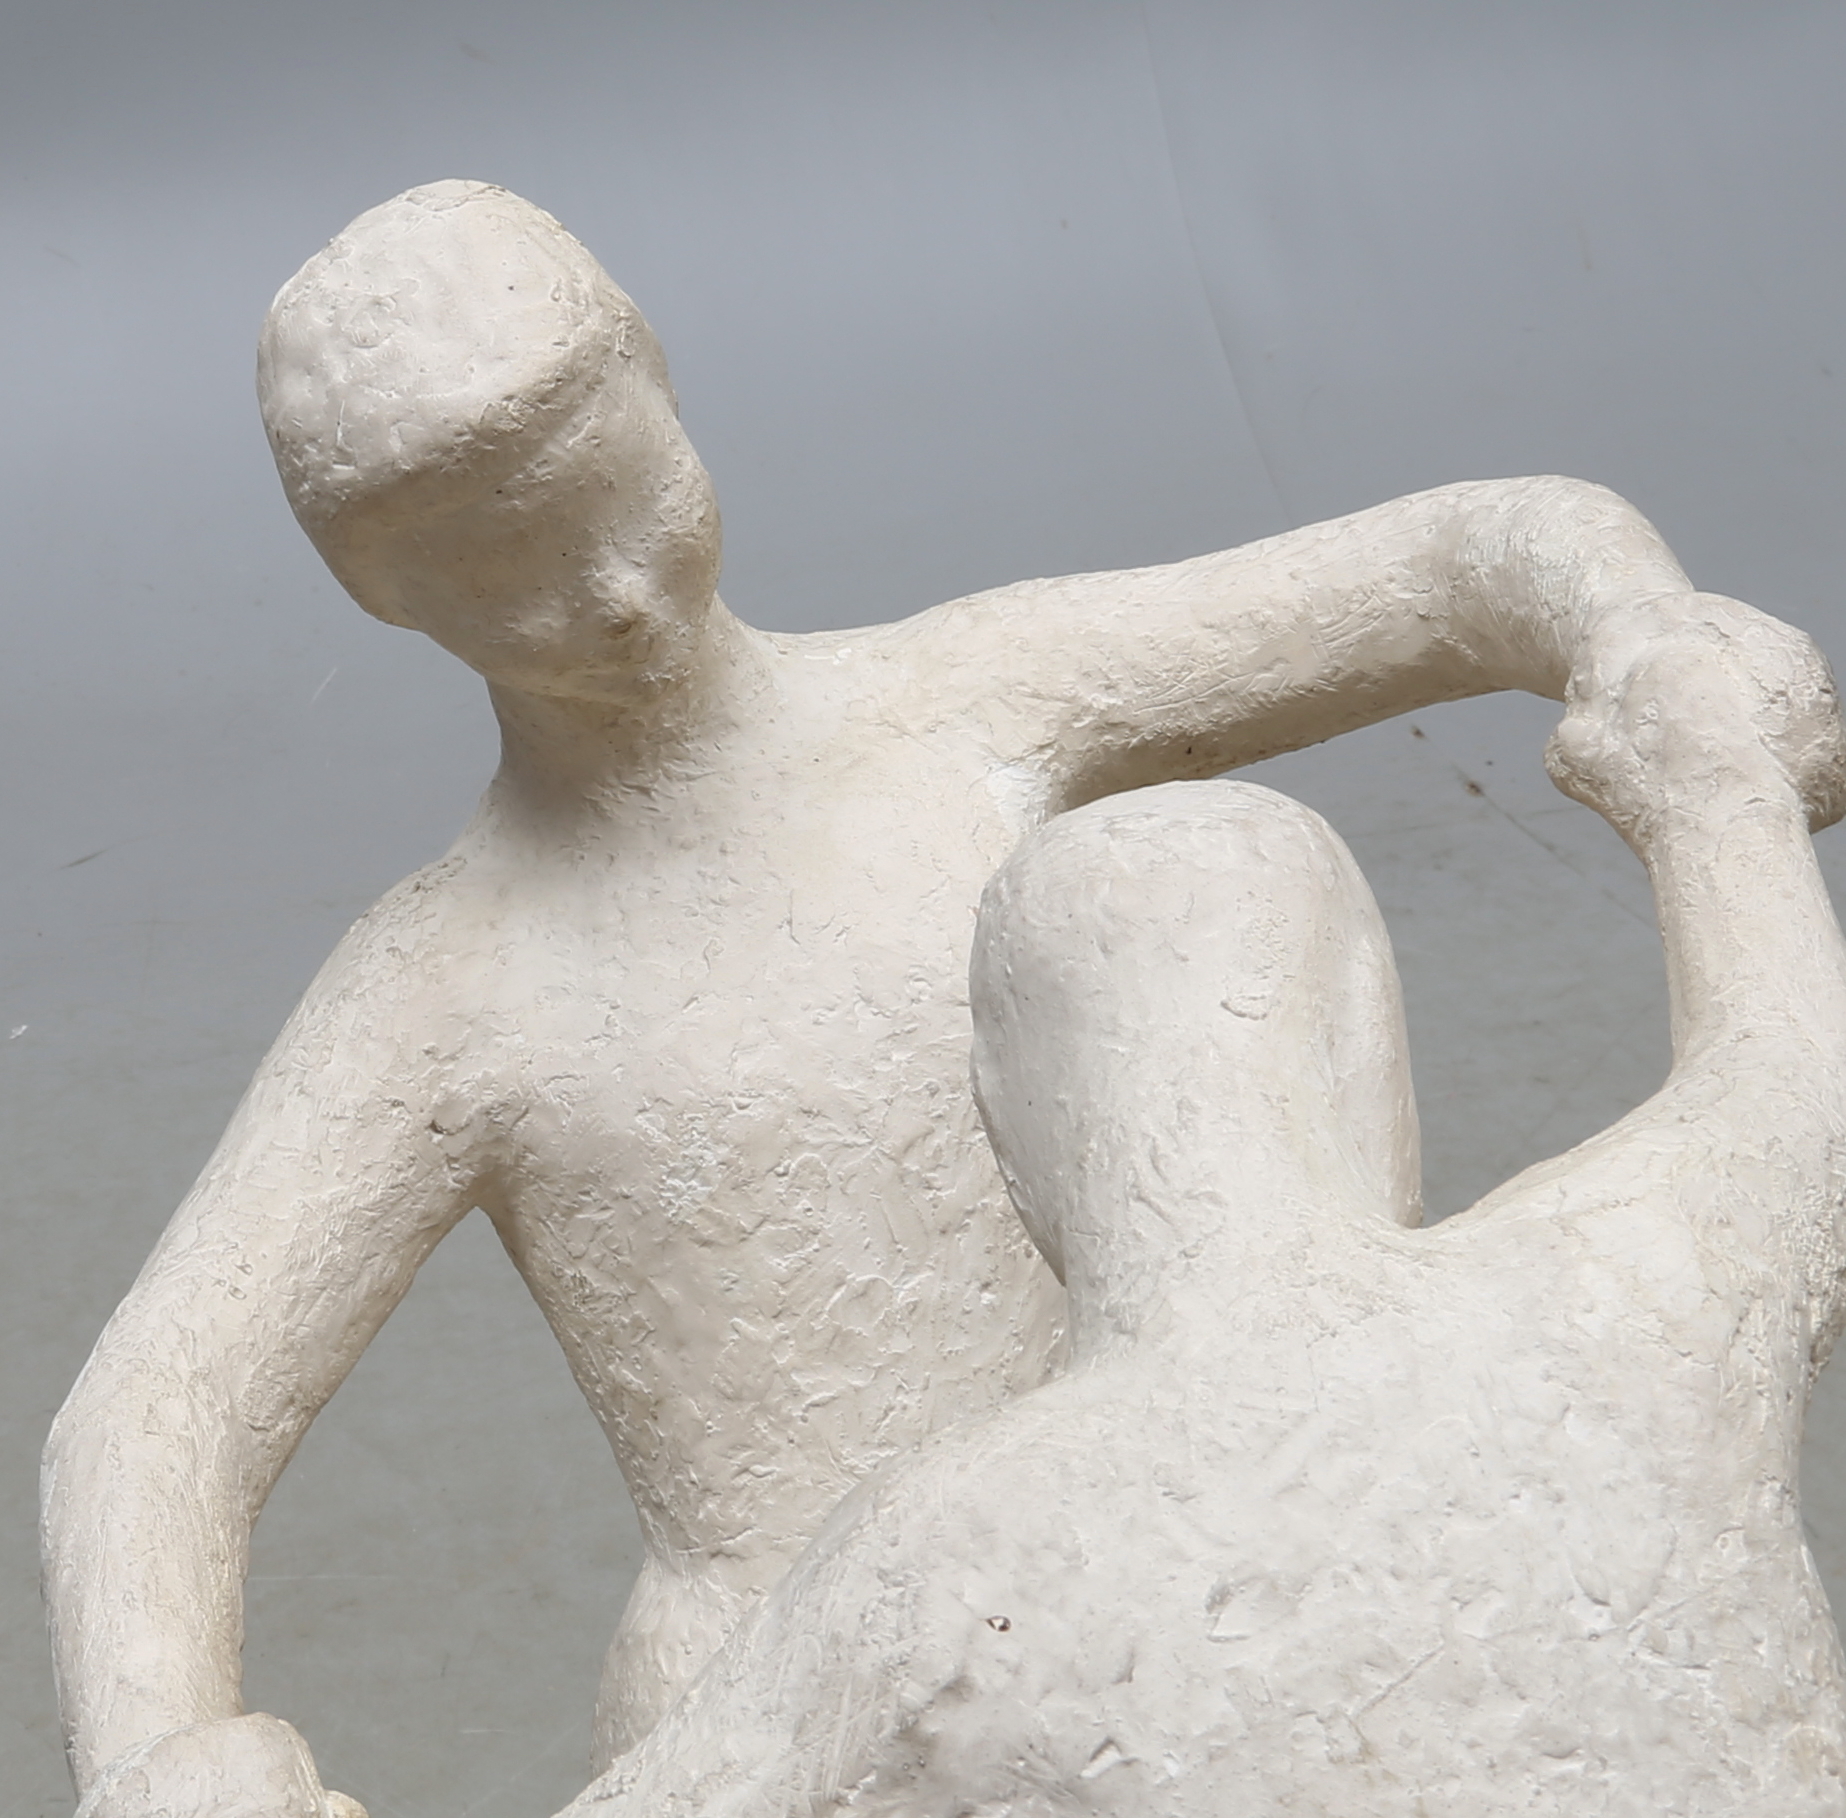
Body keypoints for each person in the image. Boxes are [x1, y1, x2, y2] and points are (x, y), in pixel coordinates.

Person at [40, 179, 1834, 1818]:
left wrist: (1634, 631)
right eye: (509, 580)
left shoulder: (961, 707)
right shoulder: (446, 985)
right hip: (781, 1711)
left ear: (661, 389)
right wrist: (158, 1752)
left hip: (1233, 1555)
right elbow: (160, 1406)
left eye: (628, 500)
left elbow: (1458, 561)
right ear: (388, 597)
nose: (613, 593)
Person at [556, 610, 1846, 1817]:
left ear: (1014, 1130)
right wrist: (1716, 785)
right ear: (1362, 1046)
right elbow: (1796, 1069)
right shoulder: (1636, 1288)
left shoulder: (939, 1562)